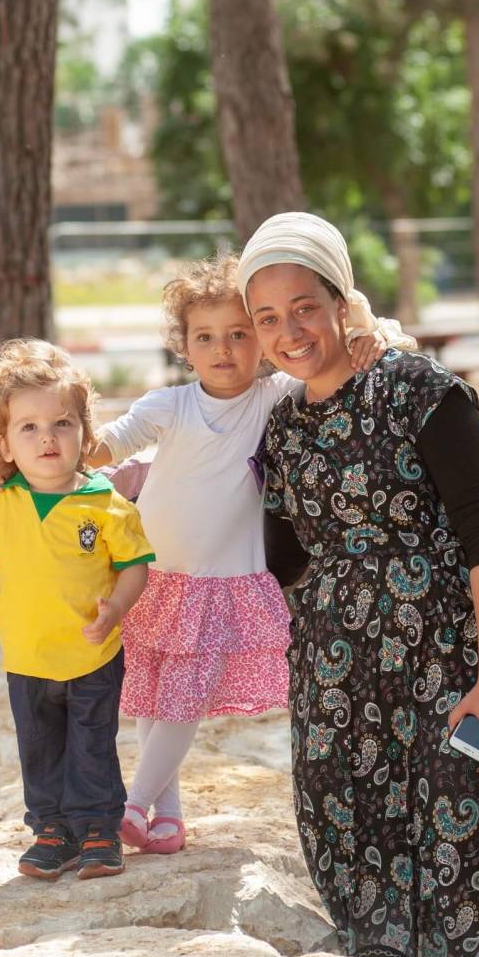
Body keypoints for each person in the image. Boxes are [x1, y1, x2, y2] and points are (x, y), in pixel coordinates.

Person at [244, 212, 479, 957]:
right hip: (339, 701)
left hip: (456, 677)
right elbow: (281, 562)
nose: (290, 331)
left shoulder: (420, 392)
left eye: (305, 307)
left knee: (467, 897)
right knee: (359, 898)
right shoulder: (281, 429)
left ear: (343, 303)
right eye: (267, 317)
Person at [88, 254, 398, 855]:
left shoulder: (275, 396)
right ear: (185, 346)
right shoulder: (169, 405)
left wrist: (364, 326)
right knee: (154, 696)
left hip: (223, 580)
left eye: (238, 334)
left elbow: (356, 336)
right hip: (153, 577)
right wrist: (46, 453)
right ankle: (168, 817)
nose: (223, 349)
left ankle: (132, 804)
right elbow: (108, 442)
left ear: (261, 339)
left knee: (184, 696)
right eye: (205, 337)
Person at [0, 339, 155, 881]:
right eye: (29, 428)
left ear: (85, 435)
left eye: (62, 424)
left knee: (91, 745)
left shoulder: (106, 504)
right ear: (5, 445)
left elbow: (136, 566)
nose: (48, 437)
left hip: (92, 654)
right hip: (27, 658)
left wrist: (116, 608)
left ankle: (98, 832)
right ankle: (50, 832)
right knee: (38, 749)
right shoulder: (5, 505)